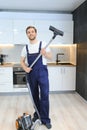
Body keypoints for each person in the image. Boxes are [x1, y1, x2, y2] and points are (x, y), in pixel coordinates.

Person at [20, 26, 52, 129]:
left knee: (45, 95)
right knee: (34, 96)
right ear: (27, 34)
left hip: (42, 73)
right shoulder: (25, 48)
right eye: (28, 32)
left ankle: (45, 119)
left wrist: (45, 53)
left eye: (32, 31)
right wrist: (25, 68)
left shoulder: (43, 44)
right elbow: (21, 61)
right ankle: (37, 115)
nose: (31, 33)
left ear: (36, 33)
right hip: (31, 74)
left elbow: (50, 57)